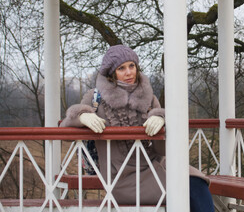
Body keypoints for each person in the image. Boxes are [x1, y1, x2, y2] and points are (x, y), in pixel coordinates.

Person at [60, 45, 214, 211]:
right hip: (122, 177)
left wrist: (162, 119)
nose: (129, 72)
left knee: (197, 182)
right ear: (112, 73)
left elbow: (161, 150)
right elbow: (65, 131)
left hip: (155, 165)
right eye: (121, 68)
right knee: (184, 192)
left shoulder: (149, 97)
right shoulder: (95, 97)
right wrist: (81, 115)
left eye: (132, 66)